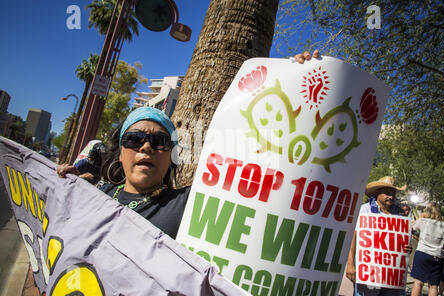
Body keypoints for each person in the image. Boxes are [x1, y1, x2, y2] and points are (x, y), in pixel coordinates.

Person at [56, 51, 320, 239]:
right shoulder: (92, 191)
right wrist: (68, 182)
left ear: (171, 154)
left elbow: (260, 176)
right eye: (135, 139)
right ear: (121, 151)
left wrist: (294, 80)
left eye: (159, 141)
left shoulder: (188, 203)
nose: (146, 147)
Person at [345, 176, 412, 296]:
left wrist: (407, 248)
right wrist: (350, 264)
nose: (391, 197)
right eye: (387, 193)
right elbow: (353, 237)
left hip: (392, 276)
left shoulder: (400, 215)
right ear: (377, 193)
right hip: (369, 274)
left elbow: (401, 242)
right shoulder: (365, 210)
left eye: (393, 193)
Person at [410, 204, 444, 296]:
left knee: (418, 282)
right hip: (437, 256)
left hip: (423, 253)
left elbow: (412, 227)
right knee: (433, 286)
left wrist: (420, 217)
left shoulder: (423, 221)